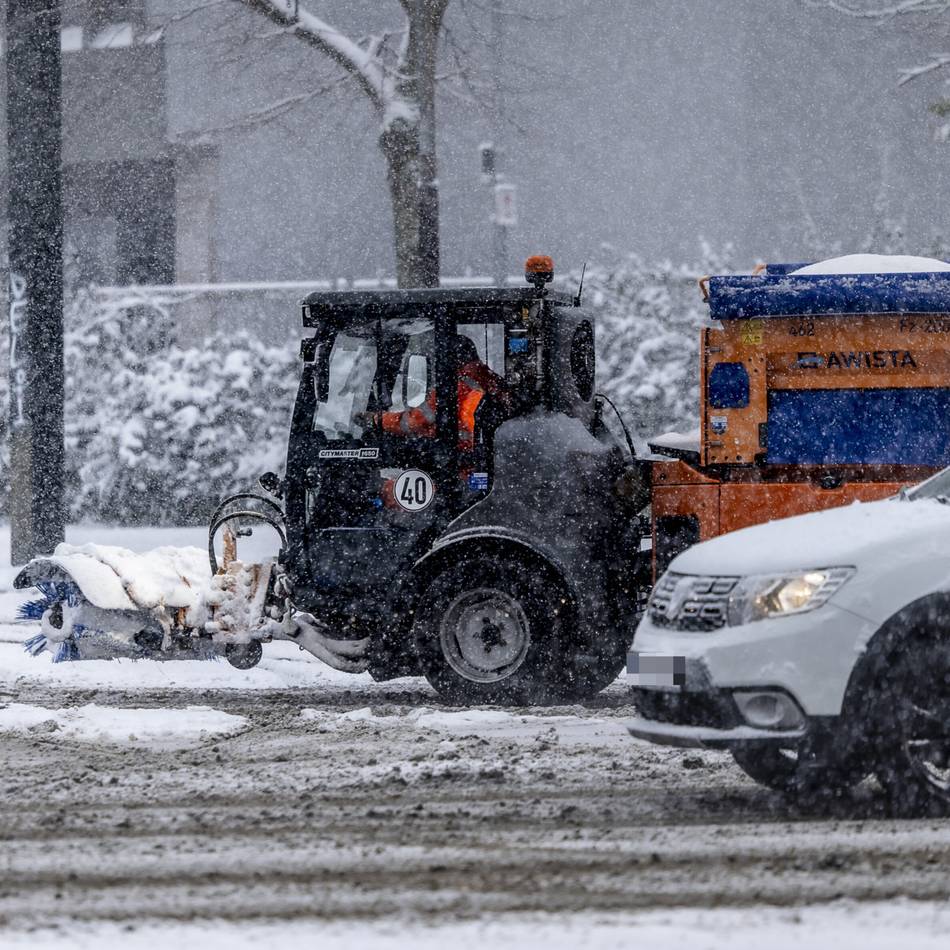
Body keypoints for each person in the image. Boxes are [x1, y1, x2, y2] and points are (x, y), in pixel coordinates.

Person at [375, 335, 509, 450]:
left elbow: (414, 421)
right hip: (482, 459)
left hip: (461, 465)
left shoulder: (454, 387)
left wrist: (378, 420)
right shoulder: (492, 380)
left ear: (448, 359)